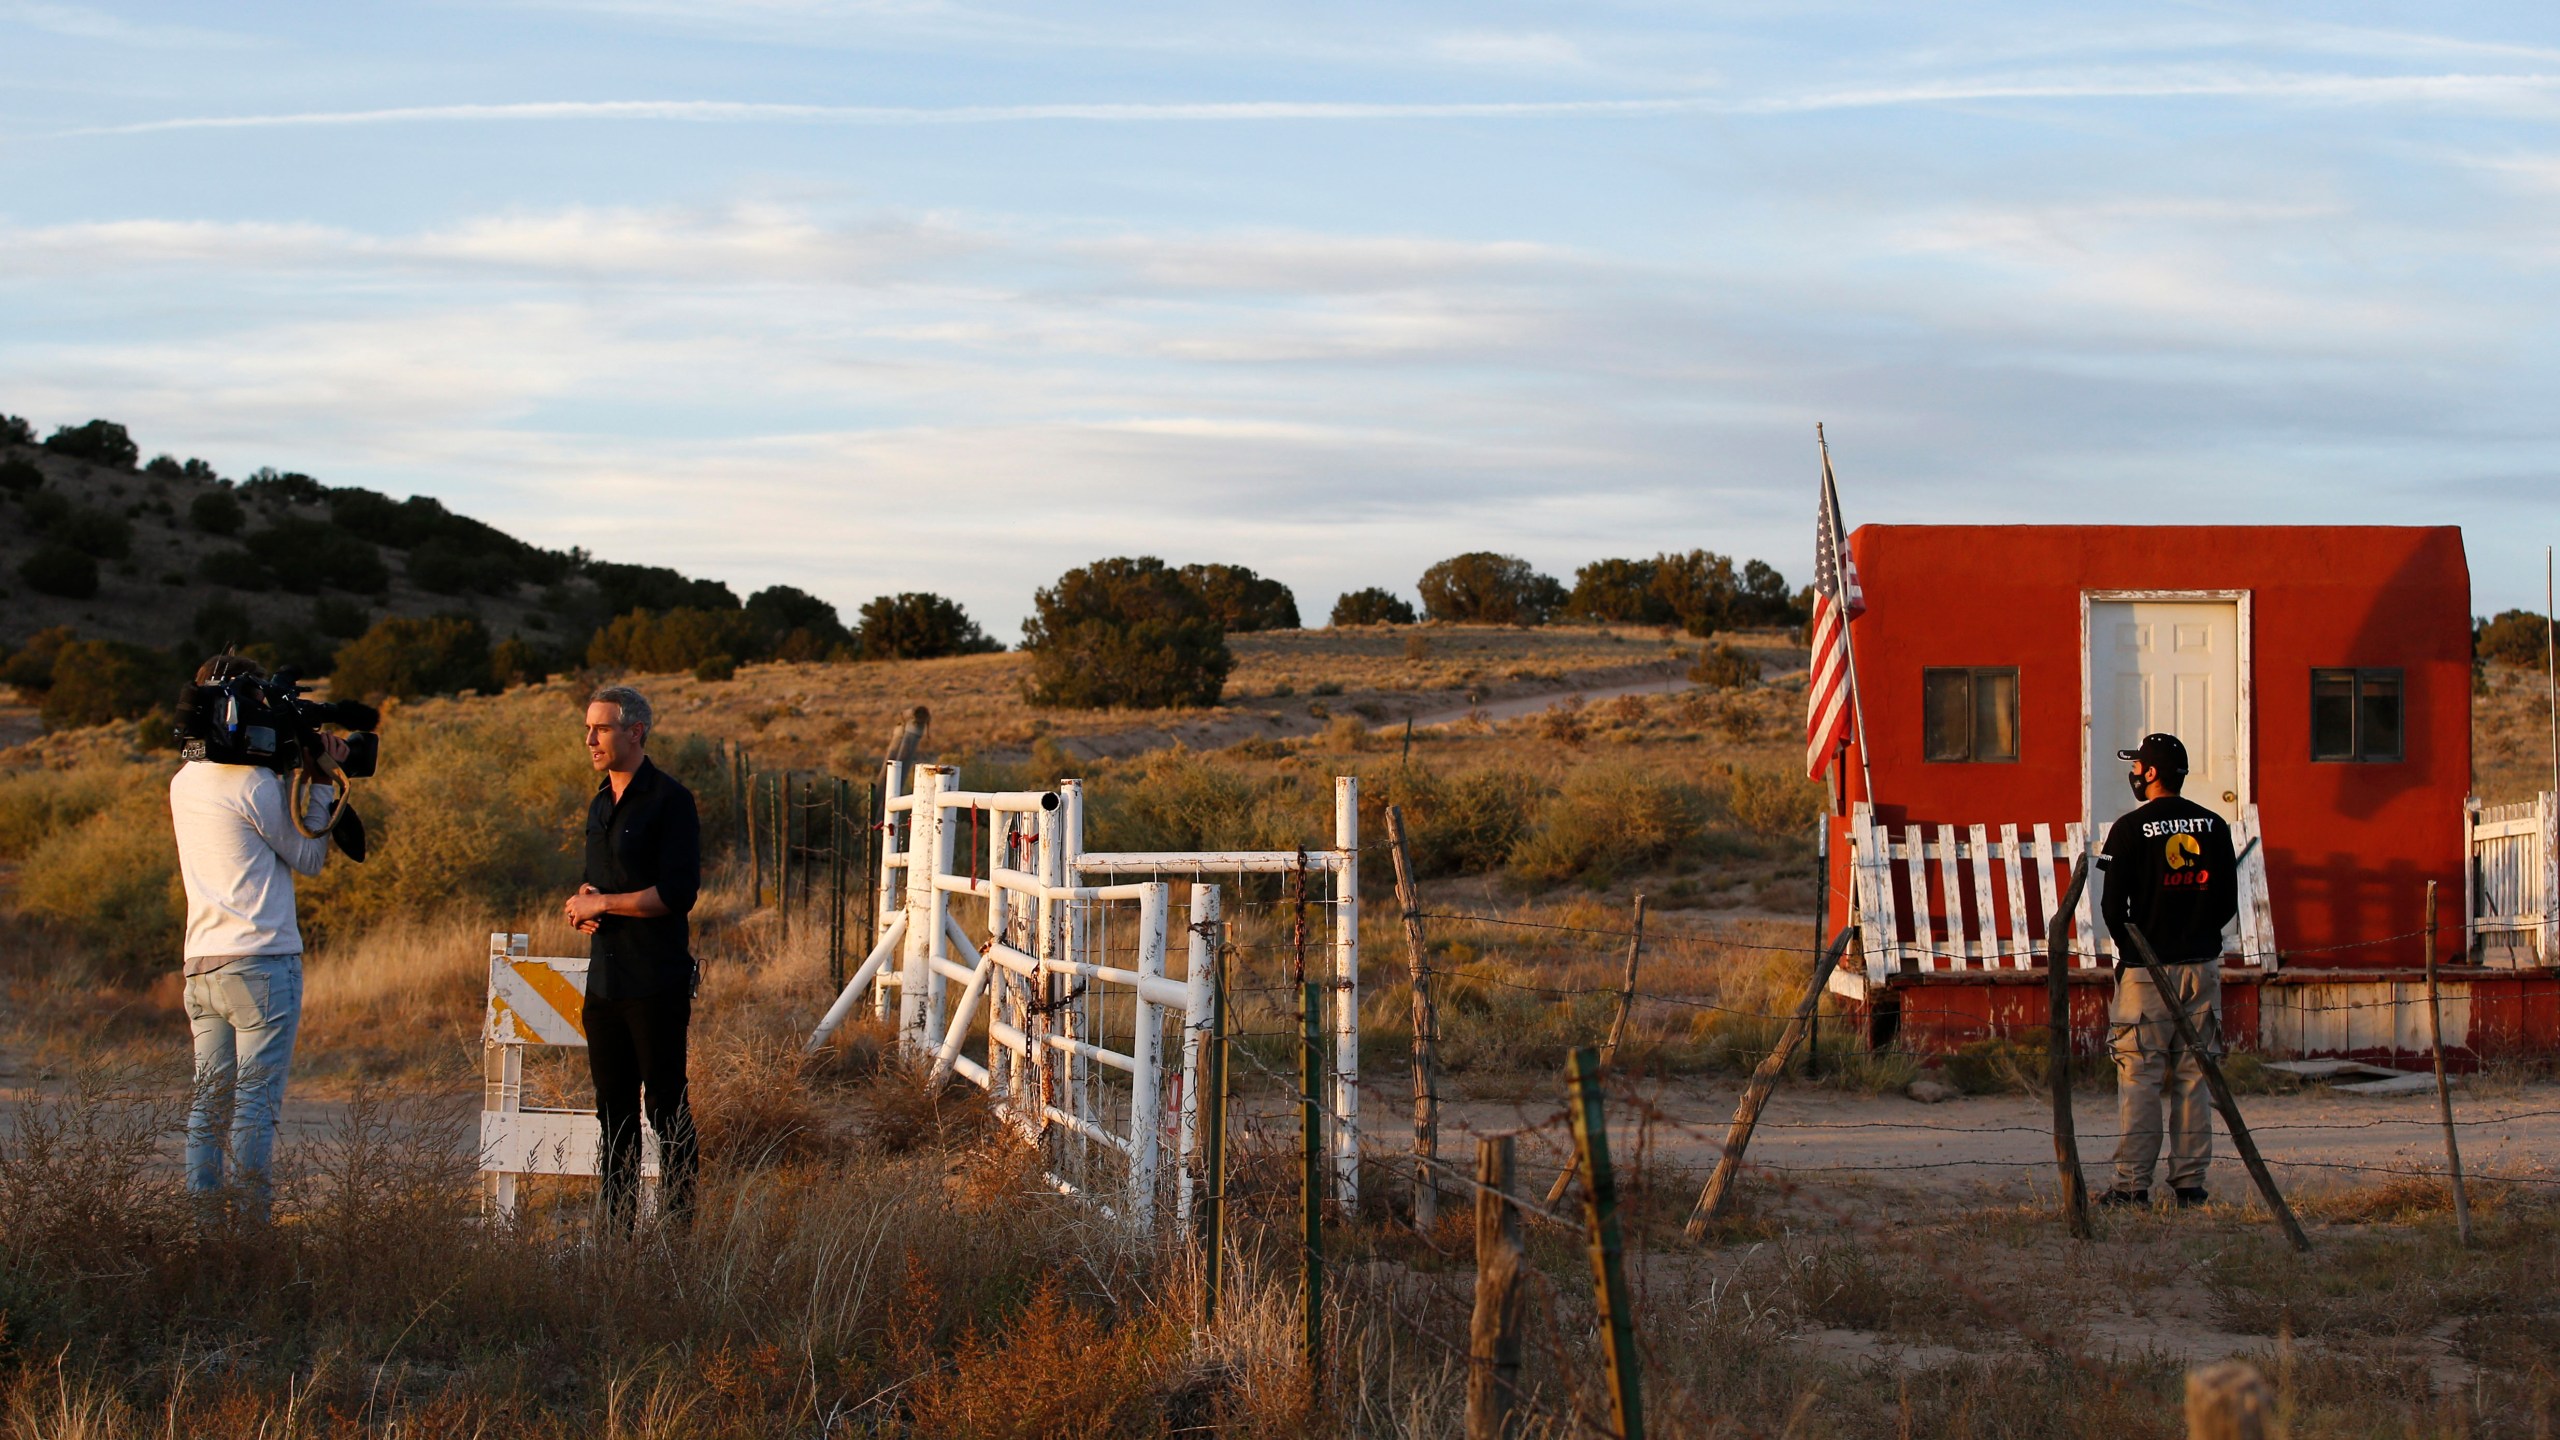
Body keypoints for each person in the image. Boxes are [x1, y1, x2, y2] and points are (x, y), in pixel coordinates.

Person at [169, 653, 349, 1219]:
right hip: (262, 962)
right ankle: (249, 1234)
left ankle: (204, 1229)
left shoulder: (184, 780)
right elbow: (310, 855)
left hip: (202, 962)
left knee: (210, 1101)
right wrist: (321, 780)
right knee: (255, 1105)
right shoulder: (251, 782)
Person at [564, 684, 702, 1226]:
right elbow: (600, 883)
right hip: (604, 984)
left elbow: (676, 894)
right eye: (588, 728)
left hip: (655, 980)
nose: (590, 739)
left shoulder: (671, 801)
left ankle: (677, 1231)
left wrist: (607, 902)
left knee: (666, 1109)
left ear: (635, 732)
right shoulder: (600, 802)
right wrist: (580, 905)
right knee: (612, 1115)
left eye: (601, 728)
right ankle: (616, 1235)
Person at [2097, 732, 2238, 1210]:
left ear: (2152, 773)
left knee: (2139, 1075)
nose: (2134, 773)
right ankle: (2190, 1184)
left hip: (2145, 971)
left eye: (2138, 766)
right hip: (2202, 967)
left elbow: (2113, 908)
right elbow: (2226, 904)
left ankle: (2132, 1185)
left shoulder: (2129, 829)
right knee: (2195, 1074)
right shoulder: (2215, 827)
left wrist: (2134, 951)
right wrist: (2195, 938)